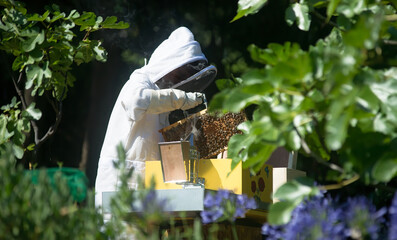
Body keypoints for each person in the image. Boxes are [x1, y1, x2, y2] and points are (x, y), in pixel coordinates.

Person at [95, 27, 216, 208]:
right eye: (181, 75)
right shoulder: (139, 81)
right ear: (171, 65)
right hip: (119, 186)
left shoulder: (163, 101)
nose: (181, 84)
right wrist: (181, 100)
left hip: (147, 192)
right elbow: (137, 101)